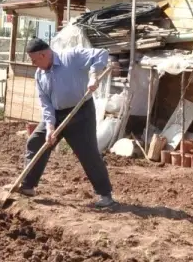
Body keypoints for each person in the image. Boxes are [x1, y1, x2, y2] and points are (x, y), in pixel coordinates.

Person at [21, 38, 119, 209]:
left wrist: (93, 76)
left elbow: (101, 53)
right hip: (55, 114)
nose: (34, 64)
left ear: (43, 54)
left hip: (81, 112)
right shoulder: (39, 75)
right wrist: (50, 127)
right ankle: (27, 186)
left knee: (88, 153)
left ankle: (105, 195)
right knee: (36, 142)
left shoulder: (71, 57)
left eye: (34, 60)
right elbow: (46, 104)